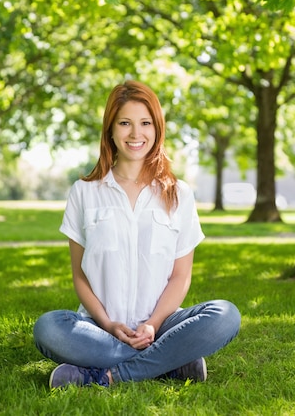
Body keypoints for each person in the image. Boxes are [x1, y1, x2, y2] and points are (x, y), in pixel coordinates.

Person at [33, 80, 241, 388]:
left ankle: (106, 375)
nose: (135, 134)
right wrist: (109, 324)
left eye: (145, 123)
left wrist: (153, 324)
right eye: (125, 123)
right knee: (48, 328)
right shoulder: (84, 192)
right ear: (111, 130)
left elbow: (180, 277)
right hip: (98, 328)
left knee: (226, 314)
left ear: (157, 129)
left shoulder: (179, 194)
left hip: (164, 324)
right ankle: (171, 362)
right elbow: (80, 277)